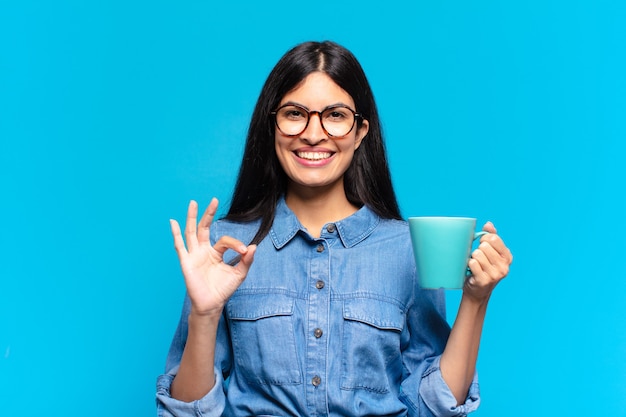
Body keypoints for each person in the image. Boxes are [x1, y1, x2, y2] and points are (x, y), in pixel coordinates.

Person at [156, 41, 513, 417]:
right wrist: (205, 314)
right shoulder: (225, 247)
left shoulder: (407, 249)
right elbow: (186, 413)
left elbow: (432, 407)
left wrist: (476, 299)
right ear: (272, 125)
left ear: (360, 132)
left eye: (335, 116)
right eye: (295, 113)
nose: (313, 134)